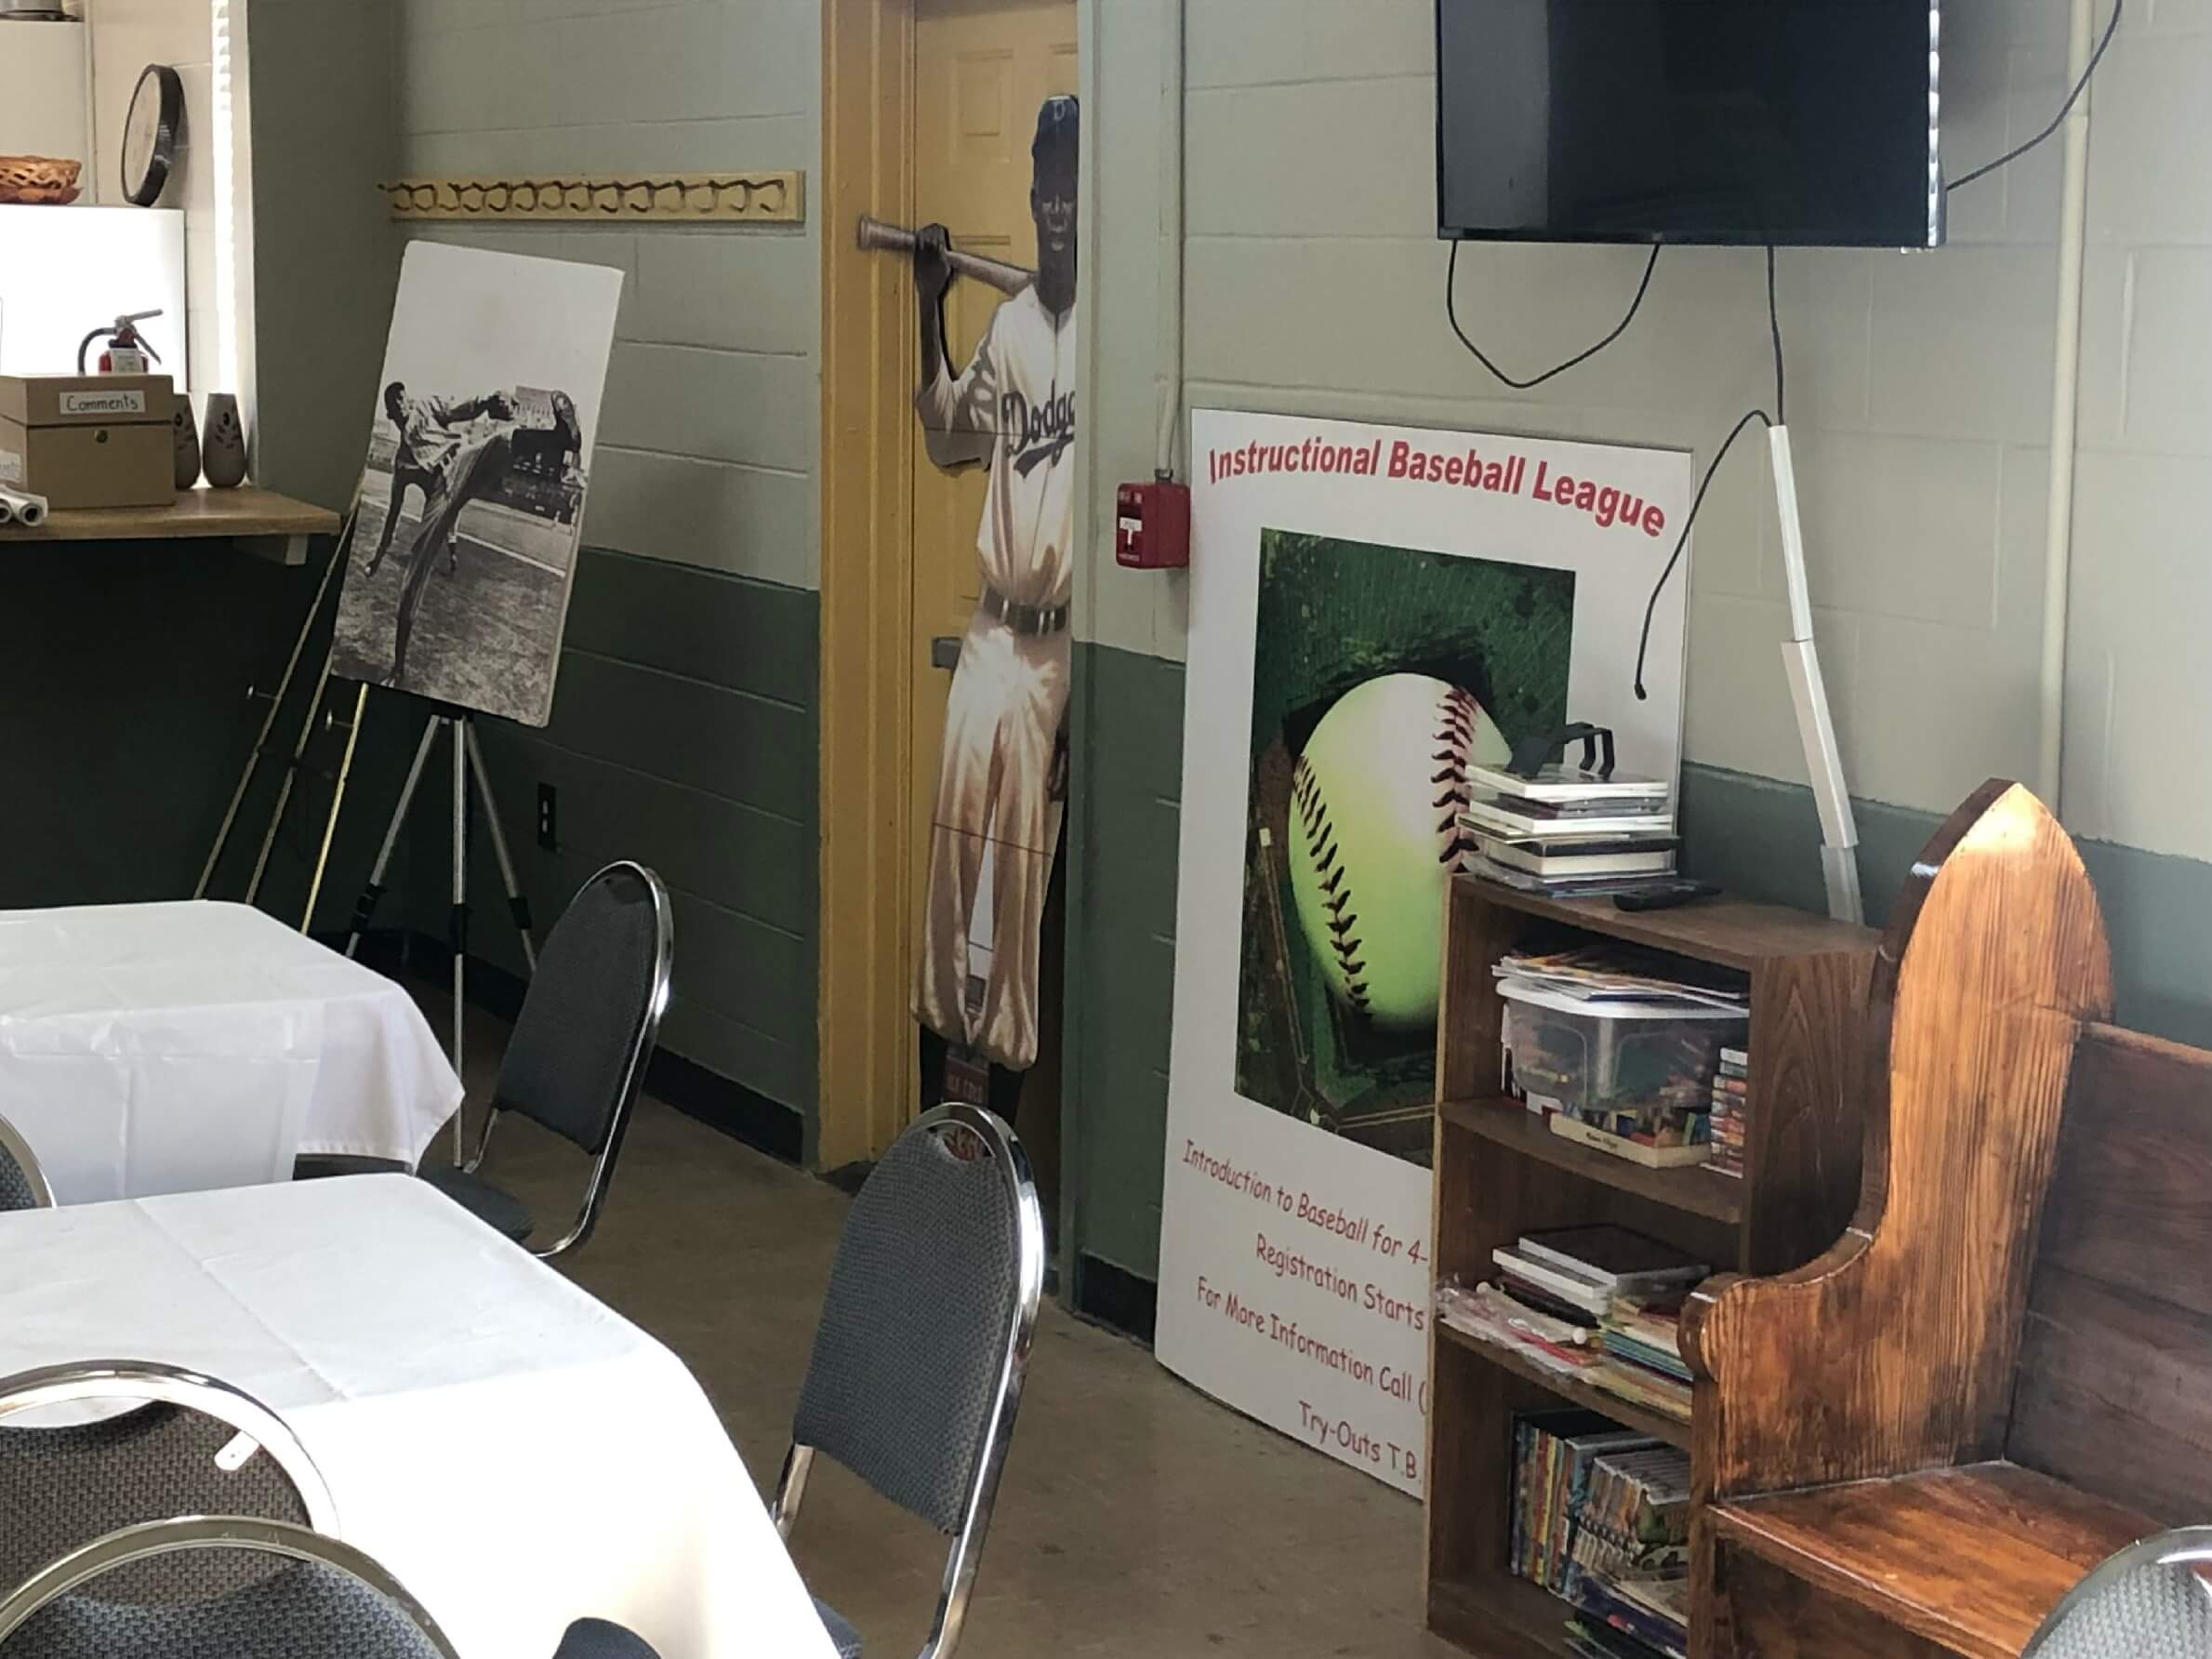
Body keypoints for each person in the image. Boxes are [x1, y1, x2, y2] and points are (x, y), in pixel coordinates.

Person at [908, 95, 1080, 1112]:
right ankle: (935, 1112)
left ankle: (1001, 1136)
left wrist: (1089, 697)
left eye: (1072, 190)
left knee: (1022, 882)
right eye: (1044, 188)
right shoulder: (1010, 324)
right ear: (1029, 197)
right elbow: (942, 424)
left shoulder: (1118, 328)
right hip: (989, 628)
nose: (1055, 208)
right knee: (954, 851)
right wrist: (930, 301)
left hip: (1063, 647)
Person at [362, 380, 522, 686]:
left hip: (460, 467)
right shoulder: (403, 462)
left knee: (501, 443)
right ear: (391, 413)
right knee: (410, 587)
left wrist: (485, 402)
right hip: (439, 502)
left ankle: (557, 438)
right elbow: (392, 516)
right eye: (395, 403)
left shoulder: (425, 407)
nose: (402, 404)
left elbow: (455, 410)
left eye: (403, 398)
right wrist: (378, 558)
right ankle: (398, 669)